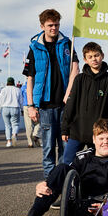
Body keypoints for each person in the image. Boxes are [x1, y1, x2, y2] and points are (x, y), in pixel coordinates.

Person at [5, 119, 108, 216]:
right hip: (76, 196)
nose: (105, 142)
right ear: (94, 139)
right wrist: (44, 183)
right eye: (101, 138)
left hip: (96, 207)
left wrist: (107, 206)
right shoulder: (83, 156)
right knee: (61, 168)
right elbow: (66, 177)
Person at [24, 9, 80, 178]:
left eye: (56, 25)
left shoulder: (67, 44)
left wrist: (68, 94)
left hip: (65, 105)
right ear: (42, 26)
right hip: (45, 107)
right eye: (50, 25)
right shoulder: (34, 48)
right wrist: (31, 106)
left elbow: (75, 69)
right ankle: (51, 185)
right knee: (48, 149)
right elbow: (30, 79)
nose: (54, 28)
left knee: (65, 148)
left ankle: (63, 184)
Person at [0, 77, 23, 147]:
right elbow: (21, 101)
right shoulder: (18, 90)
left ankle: (9, 142)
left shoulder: (3, 90)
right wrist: (22, 109)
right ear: (13, 82)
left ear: (7, 82)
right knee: (15, 124)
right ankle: (14, 135)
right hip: (15, 107)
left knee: (7, 125)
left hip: (5, 108)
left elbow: (0, 100)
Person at [21, 81, 41, 148]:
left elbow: (21, 98)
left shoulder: (23, 87)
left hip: (26, 106)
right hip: (35, 105)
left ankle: (30, 143)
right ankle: (35, 134)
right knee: (38, 122)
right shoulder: (36, 85)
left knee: (28, 125)